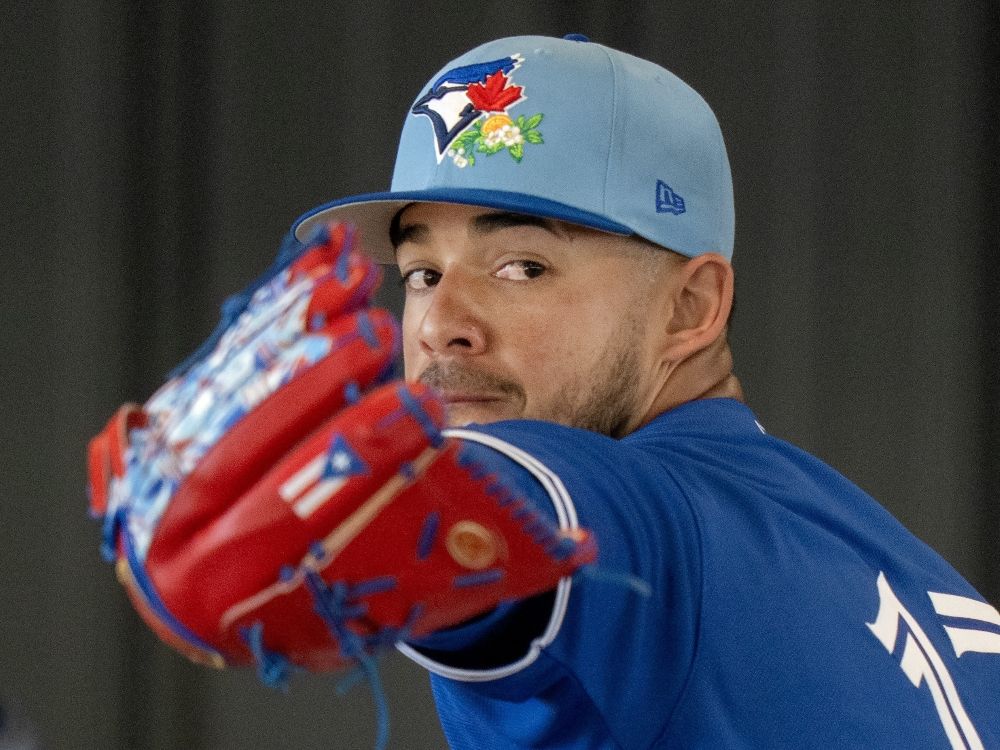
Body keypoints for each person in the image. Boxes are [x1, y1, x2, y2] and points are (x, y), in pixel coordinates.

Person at [284, 34, 1000, 748]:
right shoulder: (934, 602)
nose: (439, 325)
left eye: (521, 267)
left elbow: (536, 503)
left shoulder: (654, 529)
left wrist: (370, 491)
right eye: (421, 275)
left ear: (689, 308)